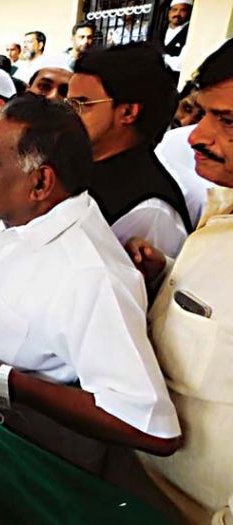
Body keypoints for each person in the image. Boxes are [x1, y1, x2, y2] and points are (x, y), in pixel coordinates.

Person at [0, 94, 180, 474]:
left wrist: (5, 382)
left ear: (40, 182)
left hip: (24, 467)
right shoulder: (18, 221)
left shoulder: (89, 274)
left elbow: (151, 427)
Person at [125, 39, 233, 523]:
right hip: (143, 481)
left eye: (227, 121)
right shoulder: (222, 205)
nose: (195, 136)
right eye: (203, 114)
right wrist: (167, 273)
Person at [68, 43, 192, 258]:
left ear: (128, 112)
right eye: (68, 103)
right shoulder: (74, 163)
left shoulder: (150, 210)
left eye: (81, 104)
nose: (68, 114)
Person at [162, 0, 193, 78]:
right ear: (169, 12)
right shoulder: (160, 31)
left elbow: (181, 64)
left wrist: (163, 57)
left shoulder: (190, 32)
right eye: (174, 10)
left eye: (183, 10)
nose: (177, 14)